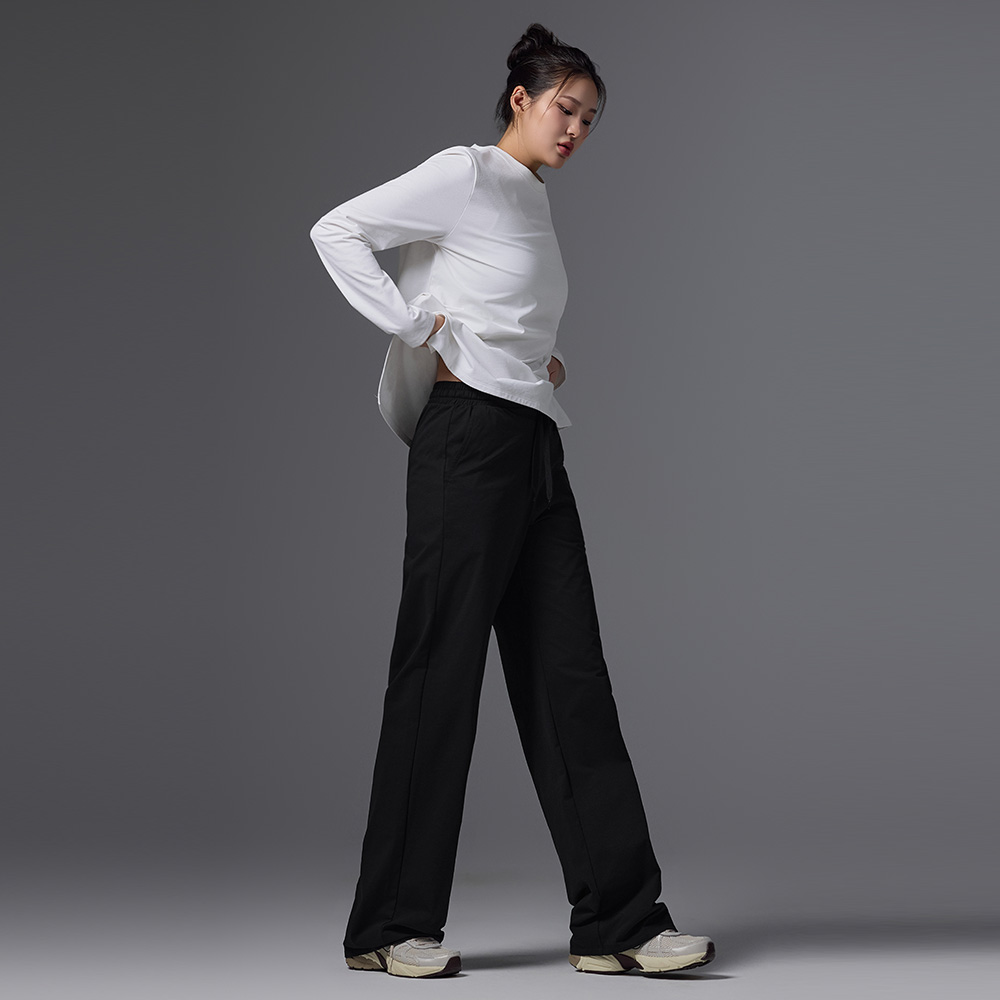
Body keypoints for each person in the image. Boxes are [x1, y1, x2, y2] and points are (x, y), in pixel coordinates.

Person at [309, 22, 716, 979]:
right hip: (467, 446)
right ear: (520, 100)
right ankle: (387, 926)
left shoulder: (528, 198)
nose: (576, 129)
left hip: (529, 442)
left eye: (591, 119)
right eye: (565, 108)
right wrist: (414, 324)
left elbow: (499, 302)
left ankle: (618, 923)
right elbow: (339, 229)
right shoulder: (469, 172)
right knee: (438, 670)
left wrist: (539, 361)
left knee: (569, 675)